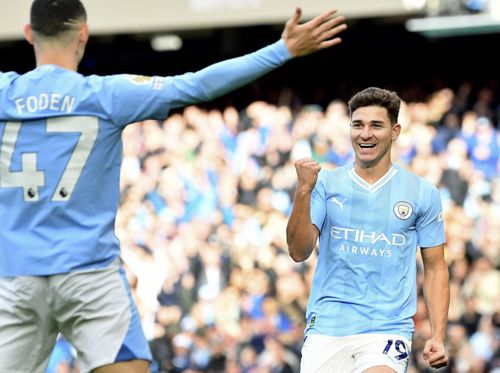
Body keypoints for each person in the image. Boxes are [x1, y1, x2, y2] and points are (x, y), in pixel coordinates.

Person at [0, 1, 348, 372]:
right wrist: (283, 50)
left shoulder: (4, 92)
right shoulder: (105, 95)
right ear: (83, 34)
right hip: (88, 272)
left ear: (28, 33)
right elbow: (196, 85)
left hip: (15, 275)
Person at [286, 87, 450, 373]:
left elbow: (435, 267)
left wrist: (438, 335)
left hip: (387, 327)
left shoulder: (421, 192)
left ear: (395, 131)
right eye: (358, 125)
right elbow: (299, 252)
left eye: (376, 125)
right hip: (328, 324)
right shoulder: (324, 184)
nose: (365, 134)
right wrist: (302, 192)